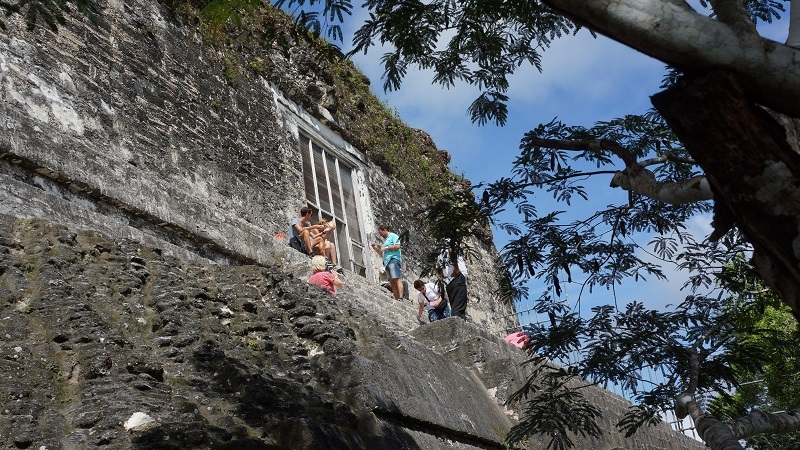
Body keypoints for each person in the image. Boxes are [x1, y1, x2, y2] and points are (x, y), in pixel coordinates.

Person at [371, 224, 404, 301]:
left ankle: (401, 297)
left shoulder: (393, 236)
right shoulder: (386, 241)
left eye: (380, 232)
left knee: (396, 278)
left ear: (385, 230)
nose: (380, 235)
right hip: (387, 262)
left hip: (393, 259)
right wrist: (375, 249)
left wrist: (386, 248)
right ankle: (397, 299)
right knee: (392, 282)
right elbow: (382, 254)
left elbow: (397, 246)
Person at [437, 246, 468, 319]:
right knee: (458, 310)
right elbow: (452, 250)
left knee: (455, 307)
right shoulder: (451, 242)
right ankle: (457, 325)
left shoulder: (440, 251)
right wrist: (456, 268)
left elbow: (437, 267)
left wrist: (442, 276)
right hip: (457, 278)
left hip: (449, 283)